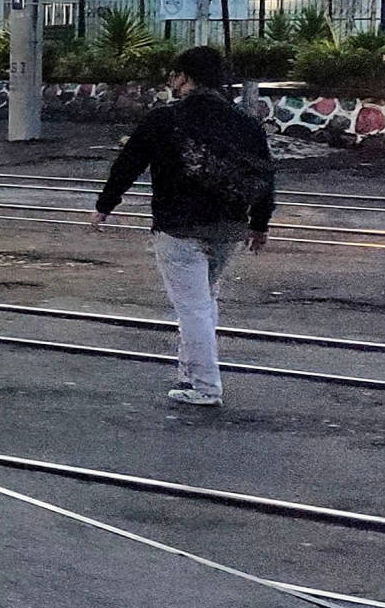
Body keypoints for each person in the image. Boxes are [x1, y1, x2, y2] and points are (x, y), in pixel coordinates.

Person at [90, 46, 276, 407]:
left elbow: (128, 164)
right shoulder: (245, 121)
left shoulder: (166, 119)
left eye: (174, 75)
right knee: (204, 303)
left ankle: (206, 387)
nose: (171, 82)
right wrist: (260, 223)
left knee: (192, 309)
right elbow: (266, 174)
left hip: (178, 227)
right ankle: (189, 376)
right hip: (229, 227)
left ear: (185, 77)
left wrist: (105, 206)